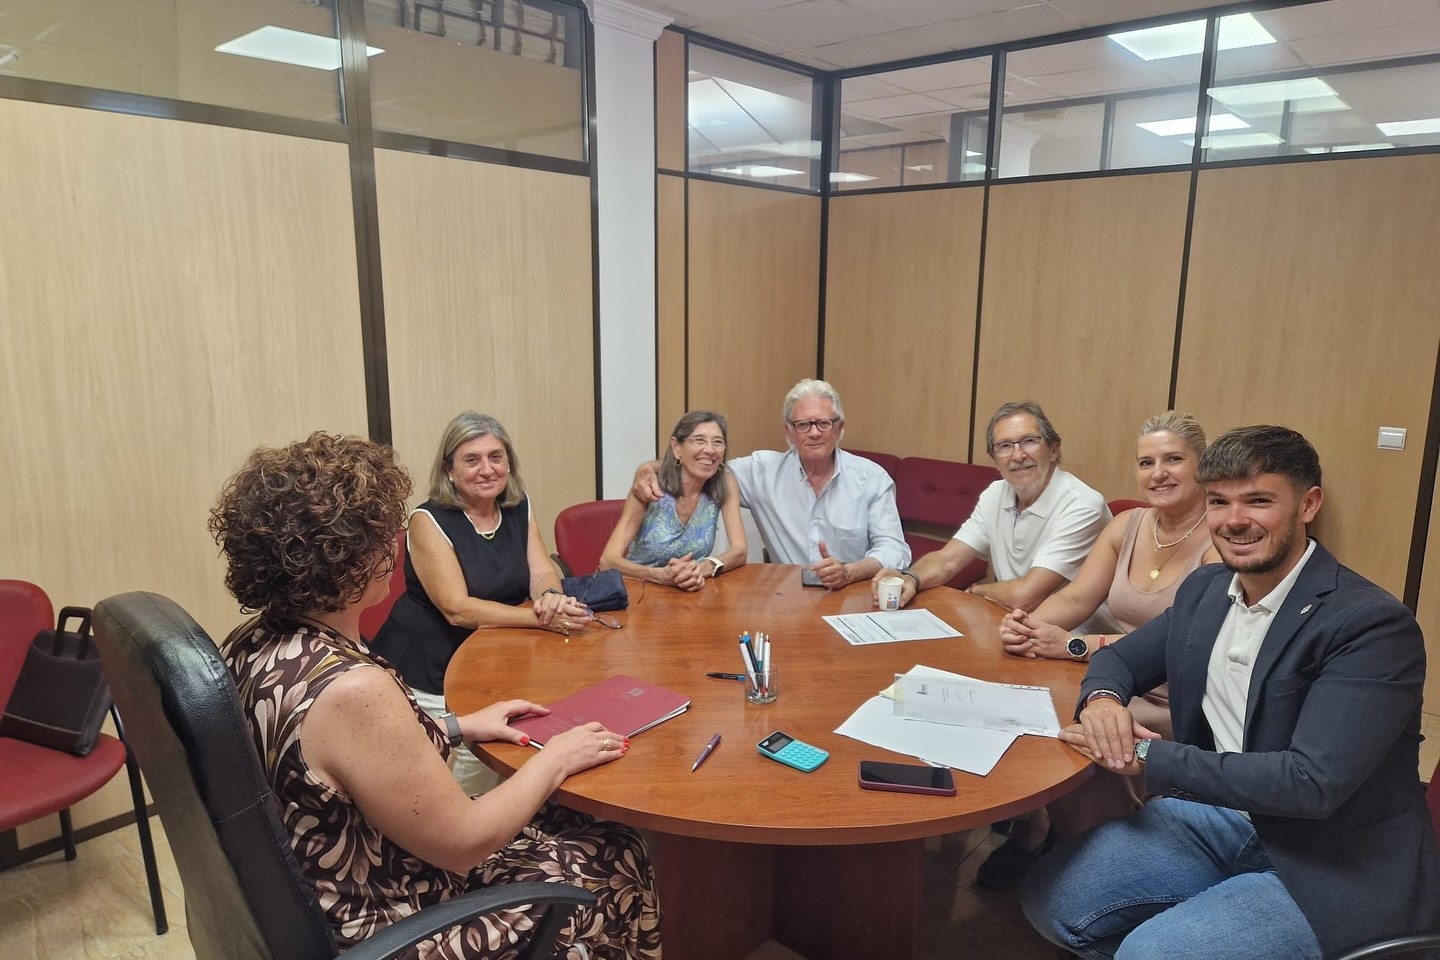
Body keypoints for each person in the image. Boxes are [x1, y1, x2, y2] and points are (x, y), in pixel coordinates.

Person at [209, 432, 662, 960]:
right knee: (618, 850)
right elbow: (464, 843)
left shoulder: (252, 641)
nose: (394, 546)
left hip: (328, 879)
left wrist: (460, 725)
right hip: (390, 917)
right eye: (384, 535)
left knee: (580, 825)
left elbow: (334, 760)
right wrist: (557, 757)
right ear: (349, 560)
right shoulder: (352, 689)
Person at [1023, 425, 1440, 960]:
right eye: (1219, 501)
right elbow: (1120, 658)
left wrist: (1146, 753)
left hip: (1334, 857)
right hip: (1230, 816)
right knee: (1050, 900)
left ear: (1308, 504)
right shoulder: (1207, 589)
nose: (1234, 520)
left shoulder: (1369, 624)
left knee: (1150, 954)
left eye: (1259, 501)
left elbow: (1310, 784)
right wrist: (1103, 700)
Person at [979, 412, 1219, 888]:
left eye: (1173, 460)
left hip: (1176, 698)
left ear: (1202, 466)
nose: (1158, 473)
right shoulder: (1127, 524)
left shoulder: (1220, 539)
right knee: (1017, 701)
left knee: (1069, 732)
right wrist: (1029, 626)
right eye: (1146, 462)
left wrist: (1072, 644)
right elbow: (1074, 599)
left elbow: (1184, 642)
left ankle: (1098, 864)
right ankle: (1042, 829)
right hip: (1112, 676)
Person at [372, 411, 592, 794]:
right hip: (433, 667)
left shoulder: (517, 506)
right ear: (449, 470)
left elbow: (541, 571)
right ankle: (468, 819)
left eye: (496, 457)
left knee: (519, 743)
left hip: (495, 657)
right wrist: (540, 619)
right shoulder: (428, 520)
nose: (487, 469)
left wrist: (551, 599)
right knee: (473, 765)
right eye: (472, 460)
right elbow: (458, 609)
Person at [633, 379, 908, 587]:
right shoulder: (763, 471)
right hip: (788, 599)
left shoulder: (872, 478)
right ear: (788, 431)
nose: (814, 433)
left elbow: (894, 549)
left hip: (855, 594)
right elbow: (705, 463)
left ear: (840, 427)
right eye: (803, 425)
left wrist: (849, 572)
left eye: (824, 423)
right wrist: (649, 467)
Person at [874, 400, 1109, 619]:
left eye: (1029, 441)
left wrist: (976, 591)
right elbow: (947, 560)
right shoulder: (995, 493)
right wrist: (910, 578)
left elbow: (1025, 597)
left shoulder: (1082, 505)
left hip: (1072, 635)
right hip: (1010, 622)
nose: (1018, 455)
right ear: (994, 459)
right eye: (1005, 446)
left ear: (1054, 450)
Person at [600, 410, 746, 589]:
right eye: (699, 440)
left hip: (691, 589)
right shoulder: (649, 484)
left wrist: (702, 569)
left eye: (718, 442)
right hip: (641, 589)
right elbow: (608, 561)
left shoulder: (725, 483)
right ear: (677, 448)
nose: (710, 450)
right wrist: (659, 576)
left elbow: (739, 550)